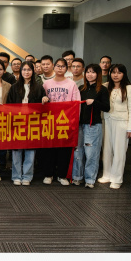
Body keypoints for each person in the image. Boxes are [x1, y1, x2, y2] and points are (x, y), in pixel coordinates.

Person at [7, 60, 49, 185]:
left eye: (29, 70)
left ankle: (27, 176)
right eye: (24, 69)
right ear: (21, 71)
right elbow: (9, 105)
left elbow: (44, 104)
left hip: (32, 122)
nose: (26, 72)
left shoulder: (38, 87)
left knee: (30, 151)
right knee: (16, 151)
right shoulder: (14, 87)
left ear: (33, 71)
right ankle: (16, 176)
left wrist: (45, 98)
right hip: (17, 122)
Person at [40, 57, 81, 186]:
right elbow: (40, 101)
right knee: (49, 149)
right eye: (58, 66)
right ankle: (48, 174)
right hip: (50, 122)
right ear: (54, 67)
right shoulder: (46, 84)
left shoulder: (71, 84)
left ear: (66, 69)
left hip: (65, 122)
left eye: (63, 66)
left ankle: (62, 175)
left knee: (64, 150)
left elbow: (77, 104)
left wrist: (74, 121)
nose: (60, 68)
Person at [99, 64, 131, 189]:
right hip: (107, 121)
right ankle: (107, 174)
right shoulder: (105, 86)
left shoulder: (130, 88)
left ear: (124, 74)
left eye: (119, 72)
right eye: (113, 72)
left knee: (119, 151)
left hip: (122, 123)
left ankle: (117, 178)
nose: (116, 75)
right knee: (106, 148)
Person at [72, 63, 110, 188]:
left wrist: (94, 102)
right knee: (78, 152)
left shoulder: (102, 89)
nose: (90, 74)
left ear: (98, 74)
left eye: (93, 72)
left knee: (91, 154)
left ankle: (90, 179)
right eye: (88, 72)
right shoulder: (81, 88)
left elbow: (107, 107)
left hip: (93, 126)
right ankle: (77, 177)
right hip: (79, 125)